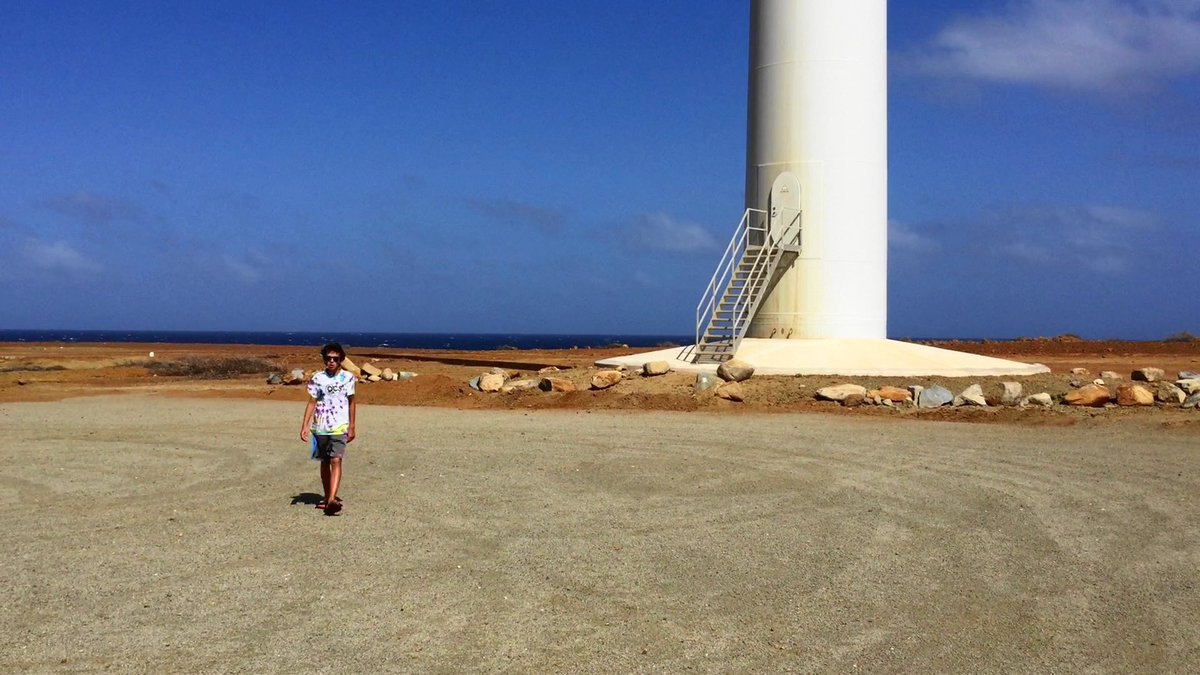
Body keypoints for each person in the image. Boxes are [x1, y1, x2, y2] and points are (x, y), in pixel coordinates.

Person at [300, 342, 356, 514]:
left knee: (336, 460)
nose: (332, 361)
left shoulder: (348, 378)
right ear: (324, 359)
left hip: (340, 426)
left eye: (335, 358)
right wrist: (304, 425)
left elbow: (352, 402)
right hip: (321, 427)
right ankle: (327, 497)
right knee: (324, 462)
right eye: (329, 358)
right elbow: (312, 402)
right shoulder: (318, 378)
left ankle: (332, 499)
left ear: (341, 360)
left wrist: (352, 426)